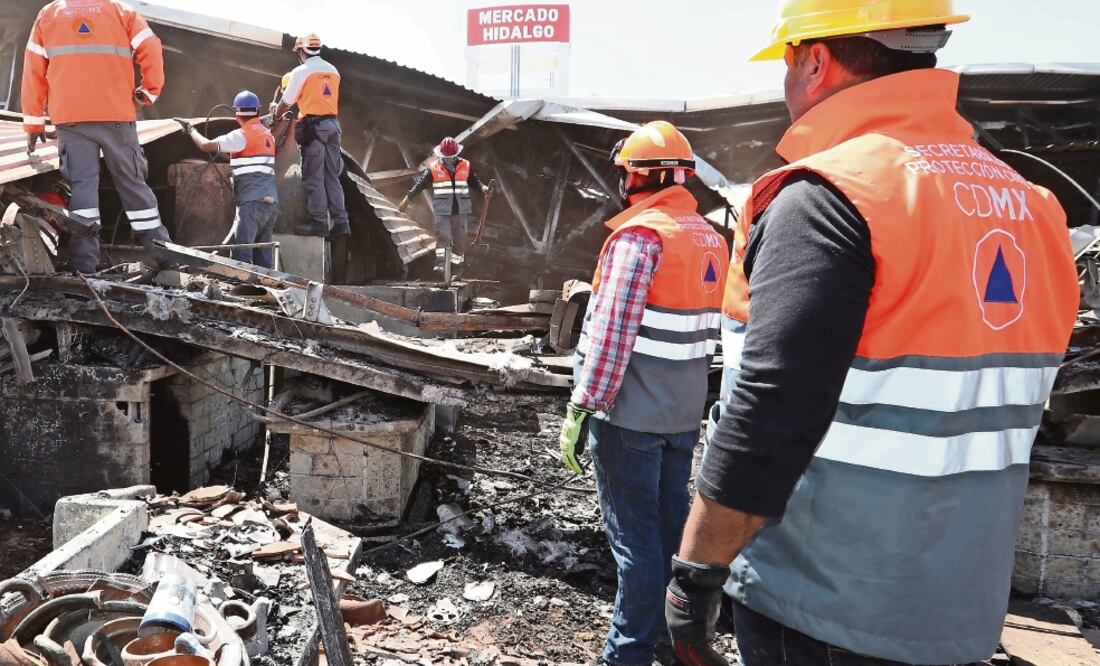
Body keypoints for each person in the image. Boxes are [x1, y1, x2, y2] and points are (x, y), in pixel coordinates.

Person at [663, 2, 1080, 665]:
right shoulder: (1034, 207)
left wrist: (696, 573)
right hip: (959, 606)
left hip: (822, 606)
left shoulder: (831, 195)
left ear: (816, 59)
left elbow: (770, 407)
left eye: (789, 62)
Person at [560, 121, 729, 666]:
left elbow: (612, 336)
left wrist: (584, 405)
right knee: (668, 534)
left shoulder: (641, 237)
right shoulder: (708, 237)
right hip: (682, 419)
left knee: (635, 546)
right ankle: (671, 639)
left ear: (636, 176)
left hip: (631, 419)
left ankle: (626, 653)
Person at [21, 0, 172, 273]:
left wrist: (32, 122)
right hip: (116, 114)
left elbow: (33, 70)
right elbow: (151, 47)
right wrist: (149, 91)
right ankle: (162, 256)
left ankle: (84, 264)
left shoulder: (49, 13)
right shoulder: (120, 11)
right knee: (132, 185)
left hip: (71, 118)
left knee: (82, 190)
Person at [176, 91, 279, 268]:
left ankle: (241, 289)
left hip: (251, 203)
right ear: (257, 111)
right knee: (263, 253)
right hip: (270, 203)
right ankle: (263, 289)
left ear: (237, 113)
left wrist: (191, 129)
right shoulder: (267, 135)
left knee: (241, 254)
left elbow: (205, 145)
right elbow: (250, 156)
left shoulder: (241, 135)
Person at [275, 33, 349, 238]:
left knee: (313, 177)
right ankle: (342, 222)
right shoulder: (333, 71)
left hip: (314, 128)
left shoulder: (301, 71)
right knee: (331, 176)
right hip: (333, 126)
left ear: (301, 51)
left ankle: (319, 223)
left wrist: (275, 113)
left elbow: (287, 100)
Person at [398, 137, 493, 276]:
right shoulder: (434, 168)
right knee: (444, 237)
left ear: (456, 154)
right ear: (441, 155)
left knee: (459, 241)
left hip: (461, 211)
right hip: (443, 211)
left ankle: (457, 270)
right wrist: (407, 199)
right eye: (446, 157)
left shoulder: (465, 165)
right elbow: (420, 185)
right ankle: (441, 266)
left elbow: (474, 182)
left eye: (452, 156)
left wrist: (484, 189)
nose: (449, 159)